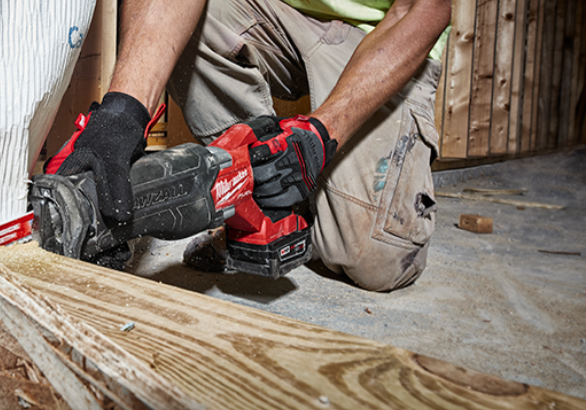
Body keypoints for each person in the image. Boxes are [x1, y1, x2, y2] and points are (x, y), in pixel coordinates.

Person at [46, 0, 451, 292]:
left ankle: (296, 181)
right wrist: (122, 113)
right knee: (194, 21)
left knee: (375, 260)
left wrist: (320, 136)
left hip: (379, 35)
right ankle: (254, 196)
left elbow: (425, 7)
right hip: (264, 10)